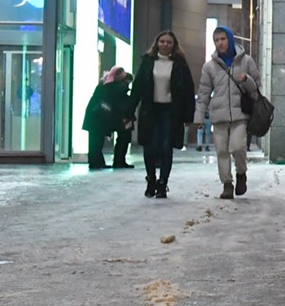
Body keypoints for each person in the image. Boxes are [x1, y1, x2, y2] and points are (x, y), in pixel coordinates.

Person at [129, 31, 196, 199]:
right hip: (150, 110)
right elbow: (137, 87)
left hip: (170, 111)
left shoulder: (180, 65)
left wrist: (188, 115)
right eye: (162, 41)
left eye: (169, 42)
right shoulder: (148, 62)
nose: (165, 45)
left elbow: (188, 90)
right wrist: (129, 111)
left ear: (174, 45)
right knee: (149, 146)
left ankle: (162, 183)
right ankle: (151, 179)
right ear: (157, 43)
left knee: (166, 146)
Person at [197, 26, 261, 200]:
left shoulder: (246, 61)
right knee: (221, 151)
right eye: (216, 40)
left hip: (240, 113)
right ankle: (227, 184)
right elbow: (203, 93)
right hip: (218, 115)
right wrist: (199, 117)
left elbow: (256, 87)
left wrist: (246, 79)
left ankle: (241, 173)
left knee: (238, 147)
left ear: (230, 39)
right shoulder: (209, 66)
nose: (220, 43)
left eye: (223, 39)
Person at [82, 67, 134, 170]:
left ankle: (96, 162)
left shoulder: (105, 85)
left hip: (97, 116)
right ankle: (111, 162)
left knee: (96, 140)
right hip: (101, 116)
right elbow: (119, 104)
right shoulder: (116, 87)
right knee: (100, 140)